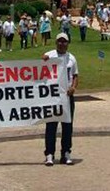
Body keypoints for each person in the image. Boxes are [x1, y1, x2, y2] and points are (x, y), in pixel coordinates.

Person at [42, 33, 79, 166]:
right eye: (59, 41)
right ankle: (49, 153)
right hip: (52, 96)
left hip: (67, 96)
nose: (62, 44)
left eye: (64, 42)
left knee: (67, 126)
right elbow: (37, 67)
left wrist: (73, 87)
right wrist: (43, 60)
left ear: (68, 43)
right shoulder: (50, 55)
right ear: (56, 42)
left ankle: (66, 152)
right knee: (51, 125)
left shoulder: (71, 58)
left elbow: (75, 75)